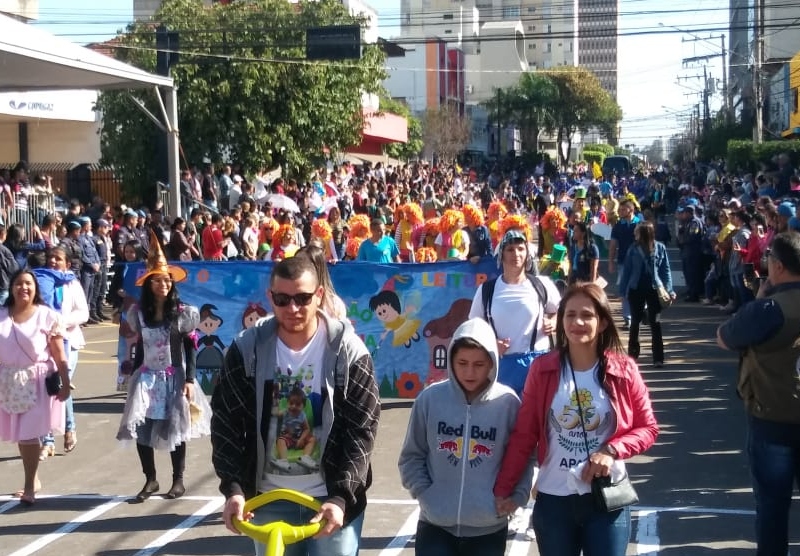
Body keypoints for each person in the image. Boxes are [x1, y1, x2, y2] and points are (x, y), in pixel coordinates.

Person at [212, 255, 380, 556]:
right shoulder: (246, 350)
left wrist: (341, 497)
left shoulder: (349, 352)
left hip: (330, 501)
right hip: (267, 502)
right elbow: (226, 423)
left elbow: (362, 430)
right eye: (282, 299)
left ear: (319, 295)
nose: (292, 308)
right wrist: (234, 489)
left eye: (302, 298)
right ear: (270, 297)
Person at [493, 282, 658, 555]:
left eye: (587, 315)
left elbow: (648, 428)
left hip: (606, 499)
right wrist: (504, 488)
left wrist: (612, 449)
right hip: (554, 499)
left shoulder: (624, 369)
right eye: (570, 315)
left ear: (603, 322)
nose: (577, 322)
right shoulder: (542, 369)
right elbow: (525, 433)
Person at [398, 317, 535, 556]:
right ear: (450, 360)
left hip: (488, 528)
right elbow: (412, 456)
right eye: (462, 363)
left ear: (492, 363)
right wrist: (425, 494)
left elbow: (526, 457)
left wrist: (517, 496)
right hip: (435, 525)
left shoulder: (508, 403)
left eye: (479, 364)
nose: (469, 372)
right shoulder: (430, 399)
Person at [716, 231, 800, 556]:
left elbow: (725, 336)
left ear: (777, 266)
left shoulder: (769, 309)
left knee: (772, 508)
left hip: (772, 419)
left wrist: (761, 295)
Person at [116, 232, 211, 502]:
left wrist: (190, 380)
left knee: (175, 427)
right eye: (158, 280)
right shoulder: (139, 315)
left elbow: (192, 348)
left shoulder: (182, 313)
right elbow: (142, 349)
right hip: (146, 377)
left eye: (167, 280)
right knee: (141, 427)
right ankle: (150, 479)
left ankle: (178, 480)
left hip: (173, 377)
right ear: (149, 284)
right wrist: (133, 376)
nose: (164, 284)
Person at [0, 269, 71, 506]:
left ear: (36, 289)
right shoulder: (2, 315)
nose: (24, 288)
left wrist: (65, 382)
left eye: (29, 284)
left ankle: (29, 484)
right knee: (22, 436)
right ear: (11, 288)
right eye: (19, 283)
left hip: (37, 382)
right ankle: (34, 477)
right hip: (8, 381)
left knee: (29, 434)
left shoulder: (46, 316)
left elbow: (59, 352)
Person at [468, 229, 561, 396]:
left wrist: (554, 321)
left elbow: (563, 313)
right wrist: (490, 344)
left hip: (538, 364)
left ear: (527, 253)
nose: (516, 254)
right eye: (510, 249)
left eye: (520, 249)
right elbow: (473, 329)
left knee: (536, 419)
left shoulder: (542, 285)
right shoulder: (486, 290)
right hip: (501, 367)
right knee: (504, 420)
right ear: (501, 254)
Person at [39, 246, 89, 459]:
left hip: (68, 340)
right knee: (45, 389)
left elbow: (83, 313)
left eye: (58, 259)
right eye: (50, 258)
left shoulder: (71, 284)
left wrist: (60, 322)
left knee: (60, 385)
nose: (52, 262)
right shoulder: (41, 281)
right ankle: (47, 441)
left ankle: (69, 428)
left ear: (67, 264)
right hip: (43, 342)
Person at [619, 222, 674, 367]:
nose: (634, 233)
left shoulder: (660, 248)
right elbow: (627, 271)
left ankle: (658, 358)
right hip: (635, 289)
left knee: (655, 323)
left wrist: (670, 290)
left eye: (637, 231)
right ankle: (632, 356)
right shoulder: (633, 249)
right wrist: (622, 291)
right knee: (635, 322)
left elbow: (665, 270)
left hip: (655, 290)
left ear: (644, 233)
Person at [295, 239, 347, 320]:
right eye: (297, 264)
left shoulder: (334, 305)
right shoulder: (286, 302)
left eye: (307, 265)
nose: (300, 269)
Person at [608, 199, 638, 328]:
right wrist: (611, 261)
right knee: (625, 289)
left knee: (638, 288)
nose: (620, 212)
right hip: (623, 262)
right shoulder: (618, 226)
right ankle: (628, 318)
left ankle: (641, 311)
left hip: (639, 262)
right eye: (619, 209)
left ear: (631, 210)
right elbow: (613, 244)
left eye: (623, 209)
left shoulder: (640, 224)